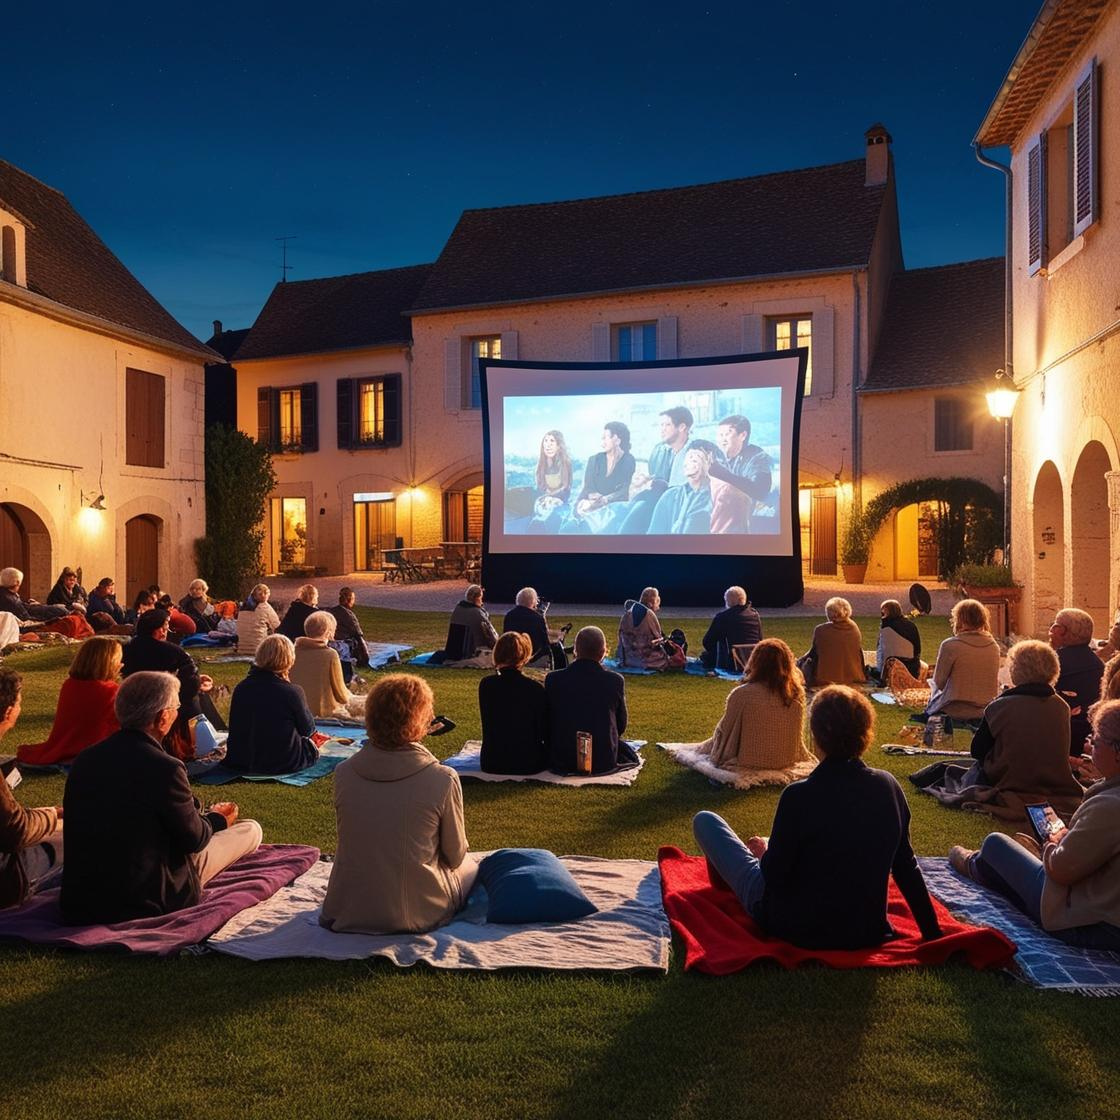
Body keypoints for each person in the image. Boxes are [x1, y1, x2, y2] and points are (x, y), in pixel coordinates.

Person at [693, 685, 942, 949]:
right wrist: (931, 932)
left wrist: (762, 854)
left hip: (792, 926)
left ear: (816, 735)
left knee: (706, 821)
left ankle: (734, 878)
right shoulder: (887, 787)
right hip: (867, 930)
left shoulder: (799, 796)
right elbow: (905, 865)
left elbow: (774, 876)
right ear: (865, 731)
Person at [60, 672, 262, 924]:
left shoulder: (86, 759)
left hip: (84, 899)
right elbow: (195, 839)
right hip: (147, 897)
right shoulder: (165, 768)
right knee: (250, 829)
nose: (179, 712)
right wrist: (219, 819)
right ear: (163, 717)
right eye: (177, 707)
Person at [949, 699, 1120, 951]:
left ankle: (978, 865)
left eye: (1095, 741)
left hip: (1089, 923)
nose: (1089, 745)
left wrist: (1053, 841)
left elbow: (1061, 870)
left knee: (996, 843)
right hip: (1104, 912)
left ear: (1117, 751)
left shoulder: (1109, 806)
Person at [320, 674, 477, 934]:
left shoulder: (344, 772)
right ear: (421, 719)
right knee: (472, 866)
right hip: (417, 910)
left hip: (347, 905)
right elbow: (455, 855)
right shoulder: (441, 778)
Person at [911, 639, 1084, 821]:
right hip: (1054, 778)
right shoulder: (1061, 706)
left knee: (945, 771)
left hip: (1009, 779)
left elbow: (977, 751)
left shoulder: (1002, 706)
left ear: (1016, 670)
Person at [697, 639, 813, 777]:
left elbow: (724, 731)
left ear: (755, 662)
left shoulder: (742, 694)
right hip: (785, 759)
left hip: (748, 760)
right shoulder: (795, 694)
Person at [0, 668, 64, 909]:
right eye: (19, 703)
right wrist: (50, 815)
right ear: (8, 711)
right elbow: (15, 830)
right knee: (71, 837)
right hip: (7, 878)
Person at [122, 609, 215, 758]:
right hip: (166, 707)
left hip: (132, 705)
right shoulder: (174, 652)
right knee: (196, 698)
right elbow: (189, 687)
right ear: (160, 630)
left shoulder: (126, 649)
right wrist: (196, 684)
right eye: (166, 626)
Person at [16, 636, 122, 767]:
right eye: (119, 661)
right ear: (109, 662)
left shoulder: (70, 685)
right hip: (95, 746)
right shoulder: (110, 691)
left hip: (67, 744)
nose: (121, 665)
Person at [226, 635, 319, 774]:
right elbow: (308, 730)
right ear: (290, 659)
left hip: (242, 759)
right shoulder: (292, 691)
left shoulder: (242, 687)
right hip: (281, 762)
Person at [545, 625, 632, 774]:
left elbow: (546, 722)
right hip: (602, 758)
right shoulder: (614, 680)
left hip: (562, 757)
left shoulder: (554, 679)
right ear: (603, 652)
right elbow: (620, 725)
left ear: (575, 651)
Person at [479, 632, 548, 774]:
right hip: (529, 762)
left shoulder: (487, 685)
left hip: (492, 761)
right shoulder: (534, 688)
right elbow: (543, 729)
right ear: (524, 657)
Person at [924, 598, 1000, 724]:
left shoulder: (950, 645)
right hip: (985, 709)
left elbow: (938, 683)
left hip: (955, 708)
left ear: (960, 620)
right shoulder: (994, 647)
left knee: (931, 705)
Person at [1050, 608, 1105, 755]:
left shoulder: (1052, 663)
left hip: (1059, 735)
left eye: (1054, 626)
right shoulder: (1098, 664)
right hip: (1090, 731)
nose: (1051, 630)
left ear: (1061, 631)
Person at [708, 415, 774, 534]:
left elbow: (760, 491)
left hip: (749, 526)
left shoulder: (757, 457)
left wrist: (723, 474)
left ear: (742, 435)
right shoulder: (719, 458)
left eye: (727, 434)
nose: (722, 439)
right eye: (720, 435)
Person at [565, 422, 636, 529]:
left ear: (616, 439)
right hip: (590, 506)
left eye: (605, 438)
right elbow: (587, 488)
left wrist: (605, 499)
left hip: (612, 511)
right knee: (569, 526)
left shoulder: (628, 460)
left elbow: (625, 490)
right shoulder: (594, 460)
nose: (602, 443)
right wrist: (586, 500)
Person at [289, 610, 358, 718]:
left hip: (293, 709)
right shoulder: (330, 655)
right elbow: (342, 695)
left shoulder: (291, 652)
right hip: (322, 712)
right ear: (328, 632)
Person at [647, 443, 715, 534]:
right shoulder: (670, 496)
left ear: (709, 464)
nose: (691, 461)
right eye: (689, 457)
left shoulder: (717, 497)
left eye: (697, 458)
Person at [800, 597, 865, 687]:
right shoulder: (854, 627)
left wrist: (799, 661)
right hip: (853, 674)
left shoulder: (821, 630)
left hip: (825, 677)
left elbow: (813, 652)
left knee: (803, 664)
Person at [618, 586, 686, 671]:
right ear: (652, 602)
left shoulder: (627, 614)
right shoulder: (649, 615)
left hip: (629, 660)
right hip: (648, 661)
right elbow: (659, 640)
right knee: (678, 637)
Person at [699, 585, 763, 672]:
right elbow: (760, 639)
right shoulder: (755, 615)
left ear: (728, 601)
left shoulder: (723, 617)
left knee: (706, 656)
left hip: (732, 662)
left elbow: (707, 642)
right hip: (753, 659)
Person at [438, 584, 498, 664]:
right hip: (470, 652)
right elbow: (491, 636)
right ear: (478, 598)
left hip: (452, 652)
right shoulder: (478, 613)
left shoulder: (457, 609)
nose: (482, 601)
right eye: (481, 598)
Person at [502, 587, 552, 667]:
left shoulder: (509, 615)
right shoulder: (537, 618)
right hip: (531, 659)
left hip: (512, 658)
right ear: (532, 601)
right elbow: (545, 643)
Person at [647, 406, 696, 486]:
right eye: (661, 425)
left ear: (682, 427)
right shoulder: (658, 450)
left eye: (667, 425)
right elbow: (653, 476)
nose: (662, 429)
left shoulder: (696, 452)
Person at [876, 599, 922, 681]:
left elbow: (882, 652)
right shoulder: (911, 626)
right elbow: (917, 649)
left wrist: (880, 672)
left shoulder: (887, 628)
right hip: (912, 668)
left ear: (886, 612)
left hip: (891, 669)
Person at [329, 587, 371, 668]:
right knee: (358, 642)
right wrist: (365, 658)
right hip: (343, 645)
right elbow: (358, 635)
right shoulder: (349, 615)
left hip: (330, 643)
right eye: (353, 599)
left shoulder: (331, 611)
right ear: (350, 600)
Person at [236, 583, 281, 657]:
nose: (264, 596)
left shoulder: (243, 607)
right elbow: (277, 626)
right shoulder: (265, 607)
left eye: (265, 593)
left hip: (242, 648)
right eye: (261, 594)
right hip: (259, 649)